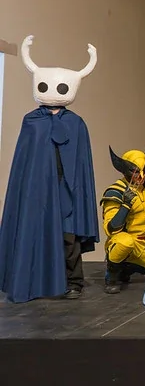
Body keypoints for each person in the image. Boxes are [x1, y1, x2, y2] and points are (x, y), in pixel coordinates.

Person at [0, 35, 99, 302]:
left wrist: (74, 189)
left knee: (68, 237)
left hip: (66, 189)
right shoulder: (31, 121)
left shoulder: (76, 123)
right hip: (38, 191)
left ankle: (73, 282)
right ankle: (32, 281)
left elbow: (80, 163)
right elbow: (25, 162)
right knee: (35, 233)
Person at [101, 147, 145, 294]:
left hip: (143, 244)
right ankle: (113, 275)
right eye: (135, 172)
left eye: (144, 171)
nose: (140, 176)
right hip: (123, 241)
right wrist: (125, 205)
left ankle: (129, 267)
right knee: (124, 242)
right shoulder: (116, 191)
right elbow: (111, 228)